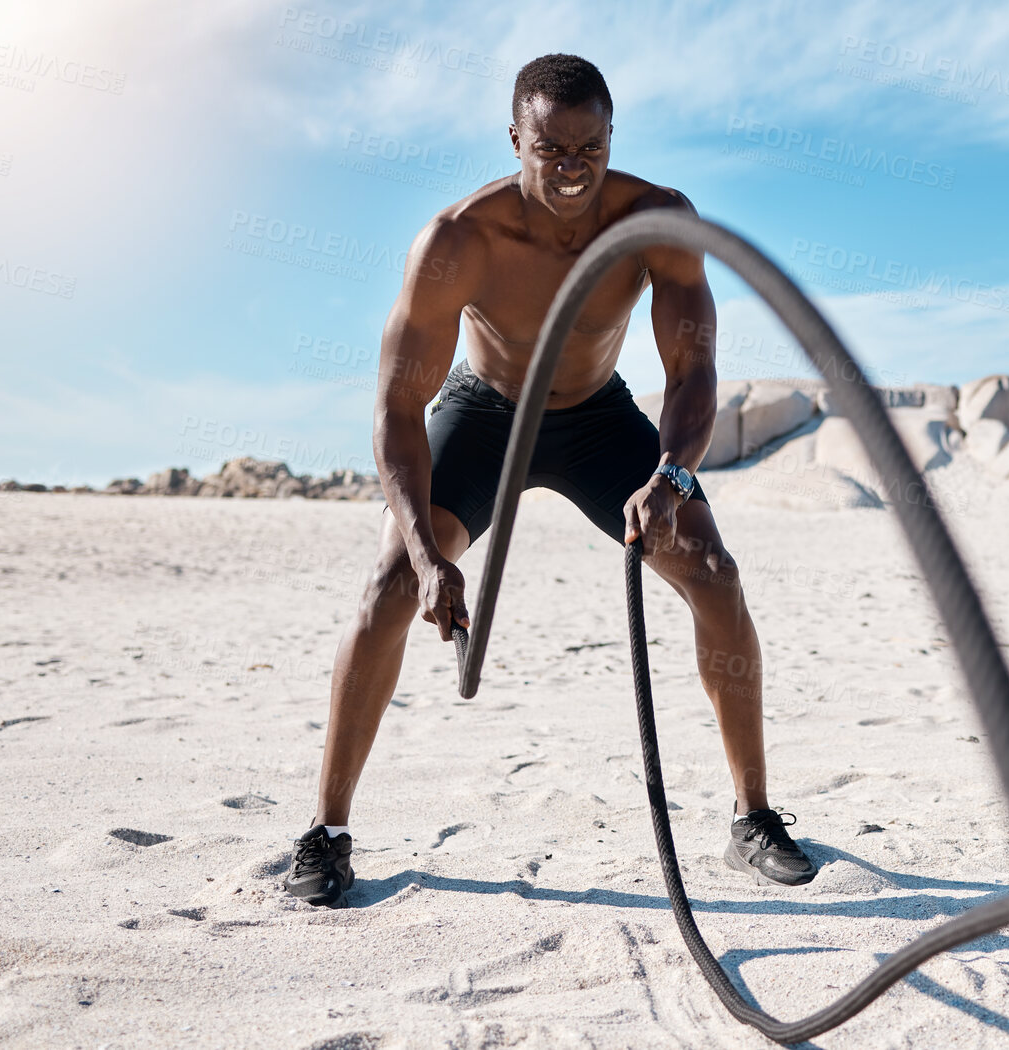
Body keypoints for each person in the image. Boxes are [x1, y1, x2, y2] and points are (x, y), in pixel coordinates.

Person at [283, 53, 816, 907]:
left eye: (590, 149)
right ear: (514, 139)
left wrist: (672, 476)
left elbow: (692, 372)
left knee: (715, 575)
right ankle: (327, 831)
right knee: (388, 585)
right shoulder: (458, 238)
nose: (572, 169)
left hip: (599, 419)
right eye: (550, 150)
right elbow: (395, 409)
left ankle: (753, 817)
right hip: (485, 411)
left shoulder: (657, 220)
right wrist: (427, 556)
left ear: (612, 136)